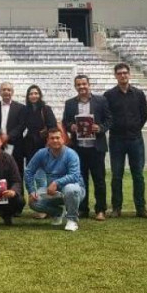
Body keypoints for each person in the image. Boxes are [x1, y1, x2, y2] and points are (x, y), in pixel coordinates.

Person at [103, 63, 147, 218]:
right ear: (115, 76)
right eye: (119, 73)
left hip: (135, 139)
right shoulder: (109, 95)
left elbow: (144, 115)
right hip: (116, 140)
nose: (123, 75)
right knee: (117, 175)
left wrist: (134, 127)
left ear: (129, 74)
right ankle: (116, 208)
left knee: (138, 174)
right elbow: (107, 117)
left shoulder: (138, 94)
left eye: (125, 73)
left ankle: (141, 208)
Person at [62, 75, 112, 221]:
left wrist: (100, 127)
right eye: (78, 84)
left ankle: (100, 210)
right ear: (75, 86)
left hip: (96, 148)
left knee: (99, 179)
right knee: (80, 180)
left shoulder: (101, 100)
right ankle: (83, 209)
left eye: (84, 84)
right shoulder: (70, 103)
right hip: (78, 148)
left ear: (89, 84)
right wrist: (71, 126)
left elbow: (109, 119)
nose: (82, 87)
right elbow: (65, 121)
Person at [25, 127, 87, 232]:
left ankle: (72, 220)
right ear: (47, 140)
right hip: (53, 192)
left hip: (75, 190)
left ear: (63, 139)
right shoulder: (41, 153)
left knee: (70, 189)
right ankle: (57, 212)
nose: (55, 140)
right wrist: (31, 191)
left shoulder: (71, 154)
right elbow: (29, 171)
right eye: (52, 138)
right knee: (33, 202)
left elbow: (75, 176)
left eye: (57, 138)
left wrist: (56, 183)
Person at [0, 82, 27, 167]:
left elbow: (22, 125)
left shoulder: (21, 108)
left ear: (12, 92)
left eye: (9, 90)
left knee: (16, 169)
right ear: (0, 92)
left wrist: (8, 136)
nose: (6, 92)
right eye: (4, 90)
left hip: (15, 144)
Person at [20, 85, 58, 165]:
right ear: (28, 96)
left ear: (40, 95)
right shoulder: (25, 110)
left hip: (43, 142)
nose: (33, 96)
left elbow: (53, 126)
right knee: (31, 167)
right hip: (30, 143)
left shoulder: (46, 109)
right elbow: (22, 126)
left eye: (36, 93)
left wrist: (49, 142)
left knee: (45, 167)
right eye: (31, 94)